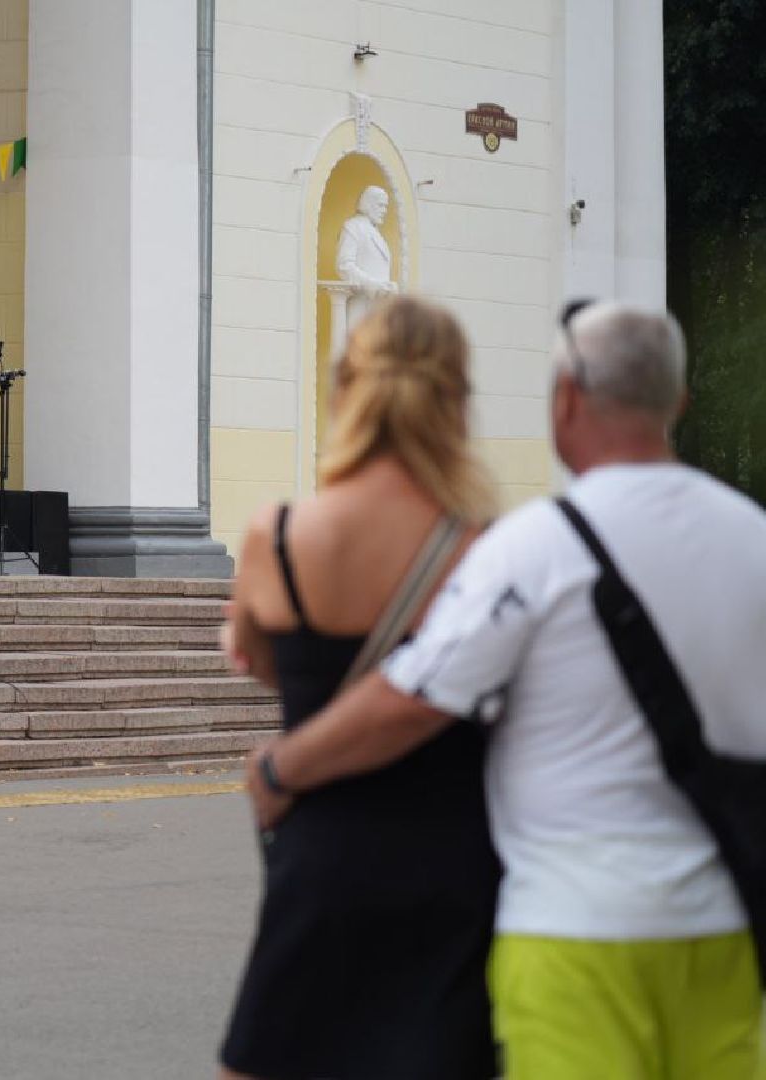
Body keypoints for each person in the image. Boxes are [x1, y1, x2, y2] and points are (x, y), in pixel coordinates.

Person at [246, 301, 766, 1079]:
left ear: (564, 398)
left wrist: (281, 769)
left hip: (572, 934)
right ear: (677, 402)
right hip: (724, 925)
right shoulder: (751, 535)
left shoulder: (536, 546)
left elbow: (411, 698)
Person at [218, 296, 502, 1079]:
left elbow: (256, 658)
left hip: (324, 852)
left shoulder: (276, 533)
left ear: (345, 388)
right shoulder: (485, 546)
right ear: (455, 399)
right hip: (459, 854)